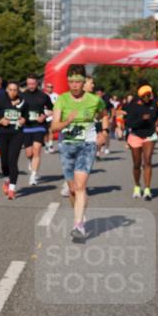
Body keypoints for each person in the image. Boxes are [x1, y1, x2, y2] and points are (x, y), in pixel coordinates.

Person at [50, 65, 108, 241]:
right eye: (71, 82)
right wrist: (68, 120)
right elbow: (54, 127)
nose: (74, 85)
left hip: (87, 145)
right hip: (66, 145)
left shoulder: (94, 100)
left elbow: (104, 114)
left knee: (81, 186)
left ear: (84, 82)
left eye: (78, 82)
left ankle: (78, 226)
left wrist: (104, 132)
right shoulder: (62, 100)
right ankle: (80, 215)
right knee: (72, 189)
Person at [124, 85, 158, 200]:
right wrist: (142, 119)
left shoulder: (154, 104)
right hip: (135, 135)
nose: (147, 97)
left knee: (147, 160)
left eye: (149, 95)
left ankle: (147, 189)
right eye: (145, 96)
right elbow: (129, 124)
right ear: (140, 96)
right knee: (137, 164)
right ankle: (137, 186)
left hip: (149, 135)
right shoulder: (133, 106)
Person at [0, 81, 27, 200]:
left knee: (13, 161)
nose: (12, 92)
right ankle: (7, 180)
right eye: (10, 89)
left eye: (15, 90)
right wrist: (0, 120)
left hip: (17, 134)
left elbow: (26, 116)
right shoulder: (0, 101)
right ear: (7, 90)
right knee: (4, 162)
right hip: (2, 133)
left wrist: (24, 120)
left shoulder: (22, 102)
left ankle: (12, 189)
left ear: (18, 91)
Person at [20, 75, 52, 186]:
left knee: (37, 149)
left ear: (37, 84)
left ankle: (33, 176)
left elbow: (51, 109)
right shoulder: (22, 96)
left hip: (39, 126)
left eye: (33, 84)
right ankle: (31, 161)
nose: (31, 86)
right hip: (27, 127)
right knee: (29, 153)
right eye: (29, 84)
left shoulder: (43, 96)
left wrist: (44, 116)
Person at [44, 81, 58, 153]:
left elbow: (57, 105)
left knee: (50, 131)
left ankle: (51, 145)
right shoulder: (43, 95)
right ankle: (46, 146)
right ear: (46, 88)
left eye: (51, 87)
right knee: (45, 133)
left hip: (52, 116)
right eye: (48, 87)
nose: (50, 88)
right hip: (44, 116)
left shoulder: (55, 95)